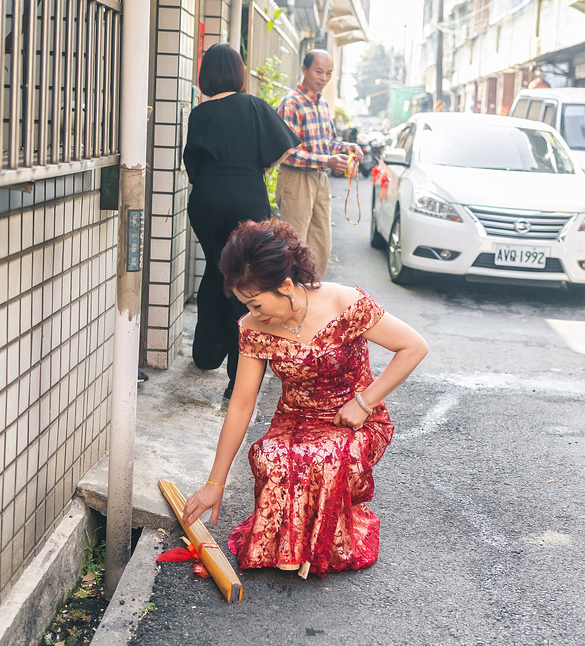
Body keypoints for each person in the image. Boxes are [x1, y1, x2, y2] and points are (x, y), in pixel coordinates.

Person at [181, 220, 429, 578]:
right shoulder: (252, 328)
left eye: (255, 303)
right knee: (271, 456)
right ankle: (291, 546)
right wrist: (213, 484)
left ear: (285, 286)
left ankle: (321, 544)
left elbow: (414, 347)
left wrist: (364, 403)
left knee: (324, 459)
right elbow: (241, 404)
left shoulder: (345, 302)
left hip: (354, 417)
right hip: (294, 419)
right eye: (245, 305)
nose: (252, 313)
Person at [183, 43, 301, 398]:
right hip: (246, 196)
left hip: (206, 198)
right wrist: (258, 166)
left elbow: (193, 169)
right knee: (245, 279)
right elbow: (285, 147)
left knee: (216, 268)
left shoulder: (199, 114)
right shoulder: (254, 106)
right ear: (239, 72)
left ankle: (206, 353)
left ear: (206, 74)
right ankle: (238, 378)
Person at [275, 49, 363, 277]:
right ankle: (289, 303)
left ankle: (311, 298)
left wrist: (347, 148)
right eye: (319, 71)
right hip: (296, 179)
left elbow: (328, 142)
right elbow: (287, 152)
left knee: (321, 245)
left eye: (329, 73)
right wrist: (328, 161)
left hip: (320, 179)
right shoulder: (291, 103)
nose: (324, 78)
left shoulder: (322, 105)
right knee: (293, 246)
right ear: (304, 70)